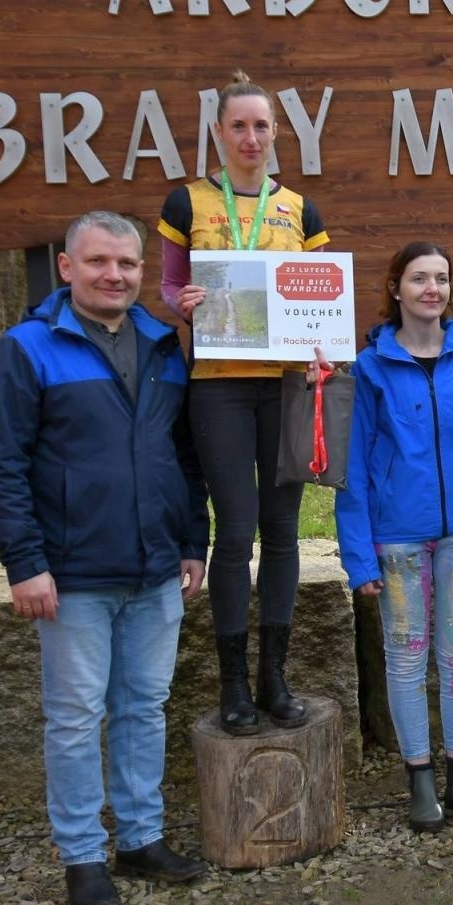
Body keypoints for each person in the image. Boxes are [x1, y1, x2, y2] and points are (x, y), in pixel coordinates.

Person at [0, 212, 209, 905]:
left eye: (128, 264)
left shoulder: (164, 346)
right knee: (76, 719)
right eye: (99, 262)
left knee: (144, 708)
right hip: (71, 574)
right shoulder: (26, 351)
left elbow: (185, 457)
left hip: (155, 567)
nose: (115, 275)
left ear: (143, 272)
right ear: (68, 267)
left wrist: (193, 542)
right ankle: (82, 856)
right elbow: (1, 468)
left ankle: (140, 838)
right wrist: (24, 563)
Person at [157, 70, 330, 737]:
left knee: (283, 532)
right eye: (238, 126)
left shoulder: (301, 210)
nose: (250, 137)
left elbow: (317, 299)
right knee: (234, 531)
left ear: (275, 133)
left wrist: (324, 345)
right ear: (219, 133)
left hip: (286, 384)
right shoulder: (188, 202)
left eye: (261, 126)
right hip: (220, 383)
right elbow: (172, 287)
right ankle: (232, 685)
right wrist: (185, 305)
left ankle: (274, 677)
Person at [336, 243, 453, 830]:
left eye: (441, 279)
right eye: (419, 278)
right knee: (406, 657)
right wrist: (357, 554)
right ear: (395, 288)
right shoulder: (369, 367)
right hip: (397, 540)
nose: (432, 289)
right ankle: (420, 781)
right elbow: (354, 466)